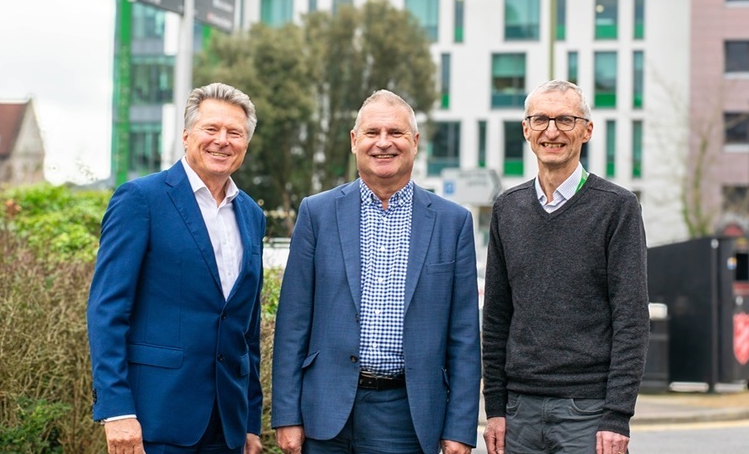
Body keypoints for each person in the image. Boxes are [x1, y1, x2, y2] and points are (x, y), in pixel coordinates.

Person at [271, 89, 481, 454]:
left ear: (414, 142)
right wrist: (287, 415)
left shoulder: (453, 222)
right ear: (355, 141)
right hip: (325, 412)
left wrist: (460, 428)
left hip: (407, 416)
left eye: (396, 133)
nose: (383, 143)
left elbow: (464, 336)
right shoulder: (316, 214)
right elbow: (293, 322)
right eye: (372, 133)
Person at [87, 82, 266, 454]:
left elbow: (247, 327)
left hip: (228, 428)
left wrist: (250, 421)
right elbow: (108, 310)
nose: (222, 140)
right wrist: (116, 409)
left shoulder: (252, 215)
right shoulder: (141, 200)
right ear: (187, 136)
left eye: (234, 133)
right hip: (155, 420)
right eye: (211, 129)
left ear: (245, 145)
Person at [481, 80, 650, 454]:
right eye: (540, 120)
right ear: (526, 130)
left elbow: (631, 318)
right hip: (518, 411)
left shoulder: (617, 208)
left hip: (588, 412)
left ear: (586, 130)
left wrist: (617, 415)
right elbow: (495, 317)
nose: (552, 131)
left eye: (565, 120)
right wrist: (494, 408)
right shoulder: (507, 209)